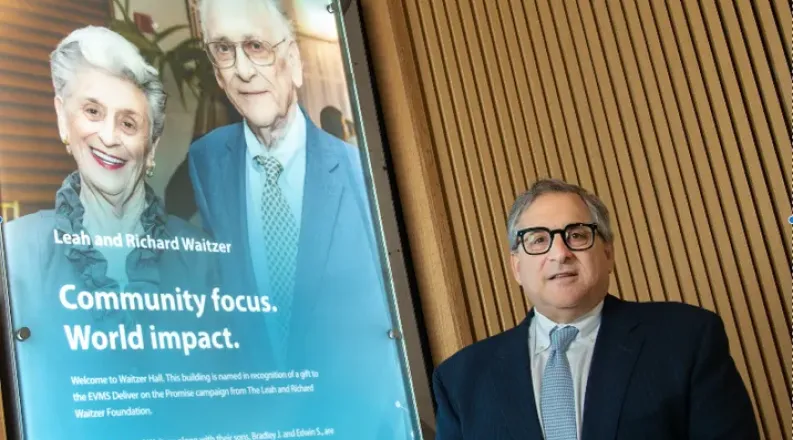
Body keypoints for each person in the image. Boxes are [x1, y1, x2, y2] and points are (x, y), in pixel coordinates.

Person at [187, 0, 414, 437]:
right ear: (216, 72)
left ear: (294, 62)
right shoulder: (206, 159)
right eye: (223, 50)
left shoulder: (358, 174)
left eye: (256, 46)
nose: (242, 70)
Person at [2, 26, 239, 439]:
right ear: (63, 117)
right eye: (92, 112)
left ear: (152, 144)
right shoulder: (13, 251)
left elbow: (230, 401)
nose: (109, 137)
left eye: (129, 122)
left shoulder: (203, 257)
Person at [432, 179, 759, 440]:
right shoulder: (461, 379)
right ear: (516, 266)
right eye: (537, 240)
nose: (559, 253)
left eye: (576, 235)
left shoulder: (686, 339)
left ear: (608, 252)